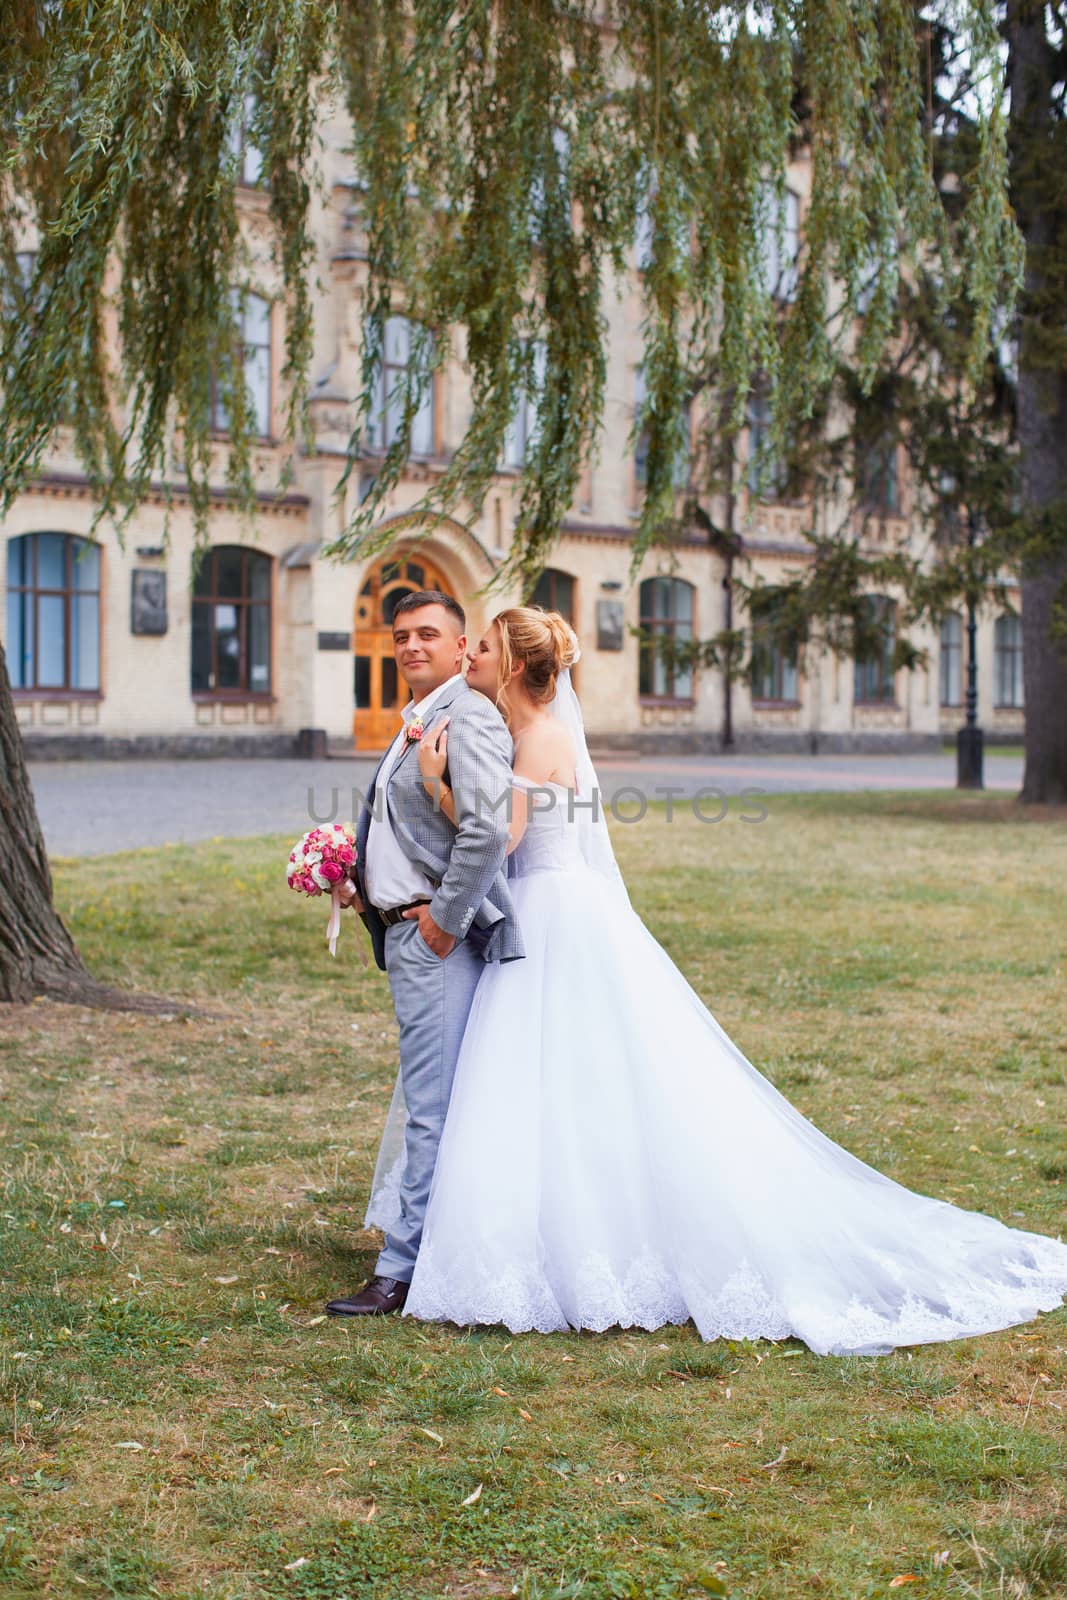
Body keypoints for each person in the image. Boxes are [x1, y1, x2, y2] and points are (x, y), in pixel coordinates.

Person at [363, 604, 1067, 1355]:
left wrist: (437, 783)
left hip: (553, 916)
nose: (470, 655)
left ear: (512, 665)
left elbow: (500, 833)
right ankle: (553, 1224)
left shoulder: (541, 737)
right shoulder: (518, 731)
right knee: (551, 1084)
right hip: (540, 910)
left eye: (485, 647)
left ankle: (595, 1236)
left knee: (572, 1074)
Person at [324, 590, 522, 1319]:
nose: (410, 645)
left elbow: (485, 831)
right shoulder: (418, 715)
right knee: (428, 1099)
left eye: (427, 634)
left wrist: (442, 923)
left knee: (430, 1108)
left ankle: (400, 1271)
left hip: (432, 939)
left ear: (460, 642)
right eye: (400, 634)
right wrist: (357, 878)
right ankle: (428, 1244)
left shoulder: (464, 713)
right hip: (401, 930)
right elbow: (412, 824)